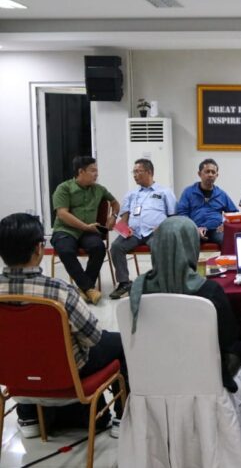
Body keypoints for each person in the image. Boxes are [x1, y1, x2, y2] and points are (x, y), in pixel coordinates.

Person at [1, 213, 127, 439]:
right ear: (39, 248)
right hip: (66, 371)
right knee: (121, 343)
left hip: (13, 374)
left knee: (24, 349)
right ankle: (122, 419)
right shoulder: (58, 292)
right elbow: (93, 338)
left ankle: (28, 416)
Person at [128, 216, 241, 391]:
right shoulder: (210, 292)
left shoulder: (137, 291)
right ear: (191, 246)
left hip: (153, 375)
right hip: (205, 377)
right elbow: (228, 340)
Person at [50, 156, 120, 305]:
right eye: (92, 170)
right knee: (66, 250)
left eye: (97, 171)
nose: (96, 174)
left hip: (89, 231)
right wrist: (84, 226)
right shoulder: (64, 188)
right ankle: (89, 288)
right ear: (81, 171)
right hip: (65, 230)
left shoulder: (99, 189)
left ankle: (84, 289)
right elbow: (62, 213)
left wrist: (113, 216)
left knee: (98, 247)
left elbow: (115, 203)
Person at [109, 159, 177, 300]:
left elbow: (173, 216)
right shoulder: (131, 194)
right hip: (134, 233)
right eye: (134, 172)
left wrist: (163, 226)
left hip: (155, 232)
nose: (135, 175)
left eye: (138, 171)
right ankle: (124, 283)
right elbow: (124, 218)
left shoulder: (165, 192)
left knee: (159, 246)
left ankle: (159, 281)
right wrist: (124, 230)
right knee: (115, 247)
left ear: (149, 172)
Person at [176, 159, 238, 247]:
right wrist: (193, 228)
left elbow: (234, 213)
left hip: (215, 230)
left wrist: (225, 225)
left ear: (217, 175)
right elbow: (182, 213)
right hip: (194, 229)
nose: (210, 175)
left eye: (213, 172)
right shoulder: (189, 192)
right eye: (207, 171)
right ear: (199, 174)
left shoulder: (221, 194)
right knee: (186, 243)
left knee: (228, 241)